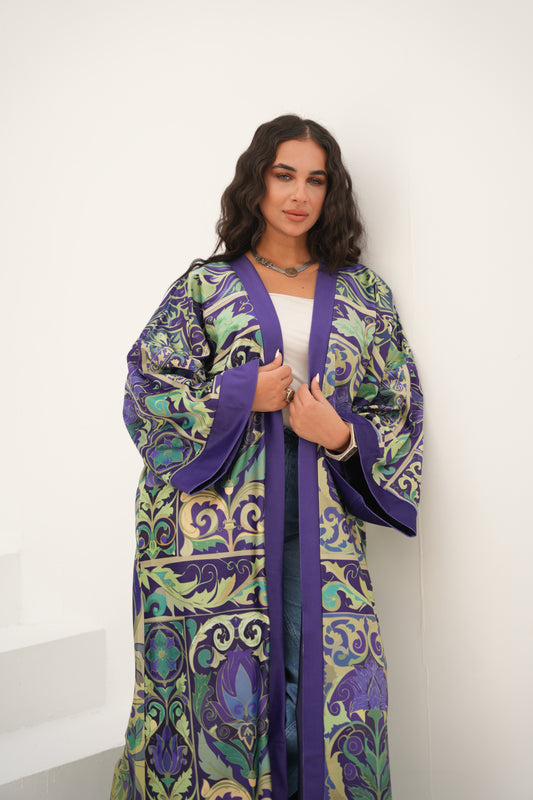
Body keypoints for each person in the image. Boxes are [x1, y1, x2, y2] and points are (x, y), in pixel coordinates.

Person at [110, 115, 423, 800]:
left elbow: (396, 405)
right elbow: (148, 386)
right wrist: (238, 394)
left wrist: (336, 433)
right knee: (220, 700)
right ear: (257, 182)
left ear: (331, 191)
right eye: (284, 175)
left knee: (330, 692)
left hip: (321, 523)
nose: (299, 194)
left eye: (316, 179)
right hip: (212, 530)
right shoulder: (206, 285)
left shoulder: (366, 295)